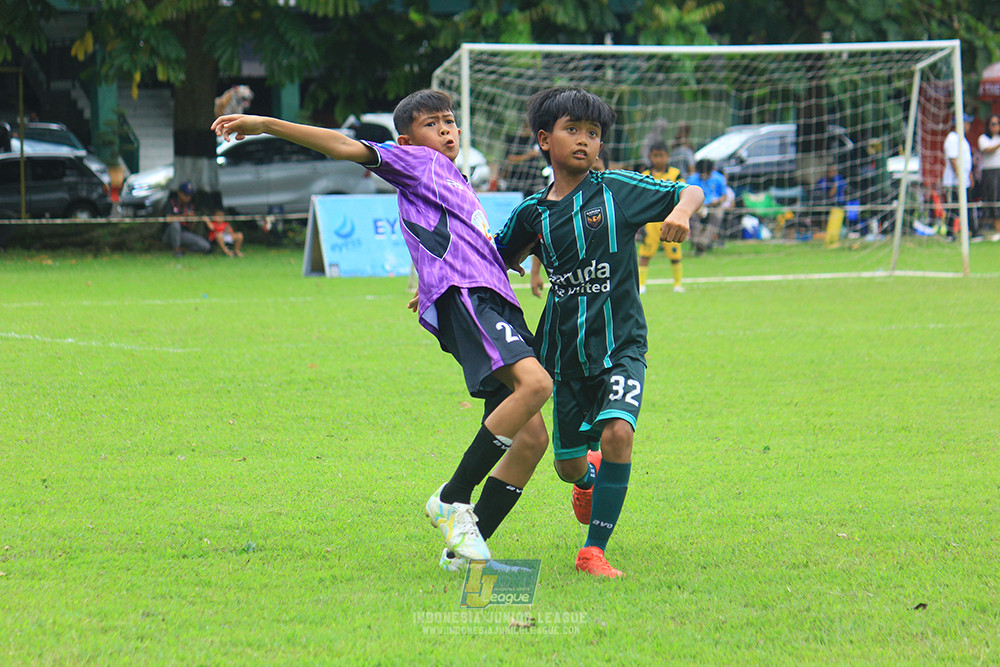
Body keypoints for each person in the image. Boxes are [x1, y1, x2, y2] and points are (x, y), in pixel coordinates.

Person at [212, 90, 552, 570]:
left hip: (489, 296)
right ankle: (450, 499)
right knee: (537, 384)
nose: (448, 130)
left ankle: (463, 556)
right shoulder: (413, 161)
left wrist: (461, 273)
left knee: (533, 437)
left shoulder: (454, 176)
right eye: (434, 124)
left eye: (450, 122)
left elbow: (444, 237)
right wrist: (266, 124)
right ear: (407, 140)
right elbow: (343, 146)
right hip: (471, 298)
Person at [494, 87, 704, 578]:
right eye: (574, 130)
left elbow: (689, 190)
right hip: (562, 357)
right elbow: (494, 260)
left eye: (594, 133)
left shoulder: (617, 191)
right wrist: (442, 283)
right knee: (567, 466)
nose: (586, 141)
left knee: (618, 433)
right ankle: (587, 479)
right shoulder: (532, 214)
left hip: (622, 345)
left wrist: (680, 211)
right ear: (545, 139)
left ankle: (593, 551)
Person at [638, 141, 685, 294]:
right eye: (655, 156)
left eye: (661, 156)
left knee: (674, 254)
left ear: (667, 156)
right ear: (650, 157)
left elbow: (682, 193)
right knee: (645, 253)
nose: (658, 159)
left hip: (670, 219)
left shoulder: (675, 174)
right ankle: (641, 285)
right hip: (650, 221)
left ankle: (677, 284)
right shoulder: (645, 176)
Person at [685, 159, 729, 254]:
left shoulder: (719, 178)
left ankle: (703, 243)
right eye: (701, 173)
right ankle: (696, 241)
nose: (704, 175)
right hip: (697, 206)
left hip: (715, 206)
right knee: (692, 217)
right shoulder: (692, 179)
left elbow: (724, 196)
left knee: (717, 215)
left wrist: (717, 201)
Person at [942, 116, 974, 240]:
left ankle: (971, 231)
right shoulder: (952, 138)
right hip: (954, 182)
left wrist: (968, 176)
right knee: (953, 208)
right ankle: (949, 234)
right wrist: (960, 177)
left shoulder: (962, 139)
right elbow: (953, 159)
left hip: (963, 180)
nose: (969, 125)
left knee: (966, 207)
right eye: (967, 123)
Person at [162, 181, 211, 257]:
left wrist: (192, 220)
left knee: (205, 246)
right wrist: (183, 216)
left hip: (183, 234)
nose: (188, 197)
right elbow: (168, 219)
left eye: (189, 195)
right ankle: (176, 250)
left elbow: (191, 228)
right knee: (175, 225)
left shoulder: (190, 206)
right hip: (169, 234)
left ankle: (184, 250)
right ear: (179, 193)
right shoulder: (171, 203)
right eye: (185, 195)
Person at [502, 121, 547, 197]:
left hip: (533, 181)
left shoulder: (536, 140)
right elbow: (510, 159)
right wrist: (528, 155)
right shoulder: (514, 140)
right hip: (516, 180)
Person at [978, 114, 1000, 241]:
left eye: (998, 123)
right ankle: (997, 229)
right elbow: (986, 149)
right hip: (990, 173)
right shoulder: (984, 138)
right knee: (994, 200)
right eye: (993, 124)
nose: (996, 126)